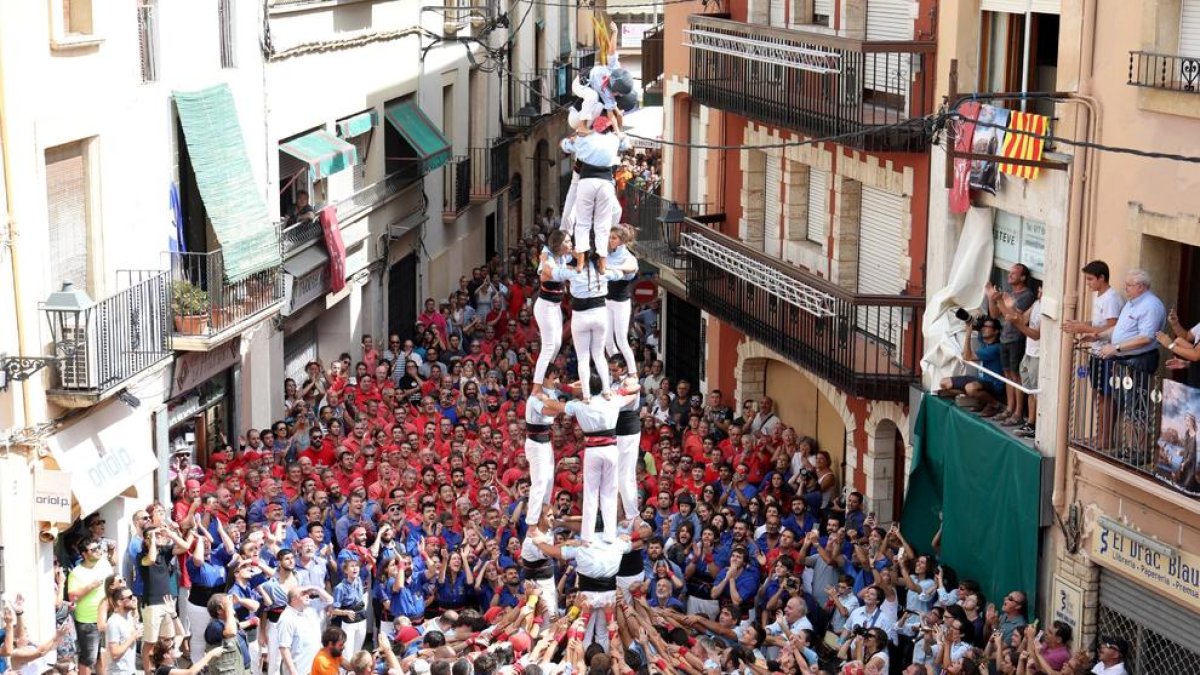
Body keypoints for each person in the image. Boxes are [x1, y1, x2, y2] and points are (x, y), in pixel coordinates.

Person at [987, 263, 1036, 426]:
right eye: (1009, 273)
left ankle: (1018, 413)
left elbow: (1014, 317)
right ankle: (1009, 408)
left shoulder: (1027, 295)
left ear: (1023, 277)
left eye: (1014, 274)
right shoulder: (1007, 293)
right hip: (1004, 338)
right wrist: (991, 298)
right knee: (1007, 374)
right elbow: (994, 314)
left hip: (1017, 339)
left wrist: (1001, 301)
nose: (1009, 276)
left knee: (1017, 376)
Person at [531, 231, 573, 393]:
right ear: (559, 244)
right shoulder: (547, 259)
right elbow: (543, 276)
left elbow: (574, 256)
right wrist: (564, 273)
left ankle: (547, 376)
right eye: (568, 242)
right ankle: (537, 385)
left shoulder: (562, 256)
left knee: (557, 343)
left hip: (555, 307)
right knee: (549, 346)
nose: (570, 244)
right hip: (545, 307)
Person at [938, 317, 1005, 415]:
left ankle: (994, 404)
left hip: (993, 383)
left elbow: (967, 356)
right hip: (980, 380)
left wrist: (968, 333)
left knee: (971, 388)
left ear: (996, 332)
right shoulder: (984, 341)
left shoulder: (995, 348)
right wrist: (971, 323)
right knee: (944, 383)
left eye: (987, 327)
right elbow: (978, 329)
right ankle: (980, 399)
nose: (983, 328)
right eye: (983, 326)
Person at [68, 537, 115, 675]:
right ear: (84, 553)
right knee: (88, 658)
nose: (98, 551)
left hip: (107, 616)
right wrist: (90, 587)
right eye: (93, 549)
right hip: (88, 620)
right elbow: (72, 597)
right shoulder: (76, 572)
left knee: (102, 654)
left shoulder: (104, 564)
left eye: (98, 547)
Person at [603, 225, 639, 375]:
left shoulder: (628, 257)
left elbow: (631, 267)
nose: (610, 241)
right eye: (610, 237)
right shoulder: (606, 254)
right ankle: (617, 371)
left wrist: (610, 268)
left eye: (614, 238)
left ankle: (632, 372)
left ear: (622, 241)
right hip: (606, 301)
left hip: (621, 303)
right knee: (608, 342)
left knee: (621, 340)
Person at [277, 587, 332, 675]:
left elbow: (329, 600)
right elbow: (284, 648)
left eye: (307, 593)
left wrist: (315, 588)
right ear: (294, 600)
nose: (307, 595)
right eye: (303, 594)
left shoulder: (310, 609)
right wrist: (293, 671)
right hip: (299, 669)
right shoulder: (286, 618)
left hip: (315, 666)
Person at [105, 587, 142, 675]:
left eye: (133, 595)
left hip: (131, 671)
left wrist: (135, 608)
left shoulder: (128, 616)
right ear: (119, 602)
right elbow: (114, 653)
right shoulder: (113, 622)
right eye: (129, 597)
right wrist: (133, 637)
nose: (133, 598)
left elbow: (136, 617)